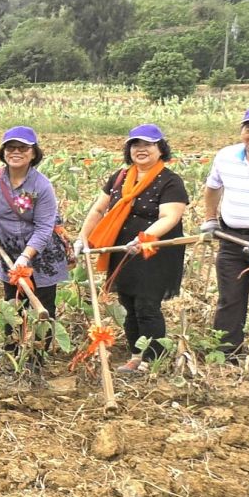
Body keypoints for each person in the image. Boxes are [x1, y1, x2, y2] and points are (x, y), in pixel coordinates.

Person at [76, 124, 188, 373]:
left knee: (147, 305)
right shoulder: (120, 177)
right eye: (136, 145)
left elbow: (170, 217)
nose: (141, 149)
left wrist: (144, 237)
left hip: (154, 251)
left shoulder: (170, 181)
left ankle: (152, 359)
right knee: (128, 303)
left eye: (148, 144)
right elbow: (98, 210)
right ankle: (136, 354)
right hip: (123, 250)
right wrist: (82, 238)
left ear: (160, 149)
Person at [0, 126, 68, 364]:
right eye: (10, 148)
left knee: (43, 305)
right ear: (3, 151)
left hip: (42, 253)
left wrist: (27, 256)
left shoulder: (41, 186)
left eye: (22, 148)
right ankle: (13, 354)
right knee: (12, 304)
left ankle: (37, 358)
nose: (15, 152)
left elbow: (44, 228)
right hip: (8, 249)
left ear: (33, 153)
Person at [201, 106, 249, 366]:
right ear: (242, 132)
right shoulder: (226, 156)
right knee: (230, 298)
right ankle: (226, 355)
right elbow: (213, 187)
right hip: (230, 238)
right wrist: (210, 218)